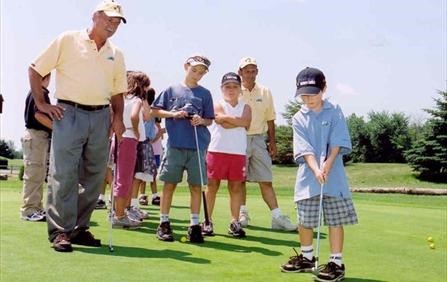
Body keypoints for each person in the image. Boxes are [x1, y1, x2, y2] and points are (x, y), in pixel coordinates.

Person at [28, 0, 127, 252]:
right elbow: (35, 69)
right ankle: (61, 230)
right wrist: (41, 103)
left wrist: (117, 118)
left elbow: (117, 92)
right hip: (68, 112)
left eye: (117, 21)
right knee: (64, 174)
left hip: (100, 116)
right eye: (109, 19)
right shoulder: (68, 39)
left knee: (94, 177)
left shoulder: (116, 53)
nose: (112, 25)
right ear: (95, 16)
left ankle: (79, 228)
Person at [280, 67, 358, 282]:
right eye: (303, 94)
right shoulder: (298, 117)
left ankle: (336, 263)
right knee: (305, 219)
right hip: (308, 176)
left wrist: (328, 164)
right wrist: (316, 168)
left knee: (334, 221)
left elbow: (338, 141)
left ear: (323, 88)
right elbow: (304, 149)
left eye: (312, 93)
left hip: (334, 177)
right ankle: (306, 258)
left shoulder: (335, 111)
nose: (308, 98)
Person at [152, 54, 214, 243]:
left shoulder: (205, 94)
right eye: (194, 70)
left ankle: (194, 225)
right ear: (186, 66)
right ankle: (164, 222)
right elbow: (154, 111)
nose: (197, 74)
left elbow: (210, 119)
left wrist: (200, 120)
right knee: (169, 184)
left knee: (196, 186)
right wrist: (173, 114)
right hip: (175, 145)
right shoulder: (171, 90)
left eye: (202, 72)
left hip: (197, 145)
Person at [238, 57, 297, 231]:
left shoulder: (265, 91)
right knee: (239, 180)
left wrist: (273, 142)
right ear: (240, 72)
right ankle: (242, 213)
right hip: (238, 138)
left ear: (257, 72)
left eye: (253, 70)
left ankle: (277, 217)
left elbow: (271, 119)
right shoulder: (234, 89)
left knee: (266, 179)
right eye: (247, 70)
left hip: (258, 138)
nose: (250, 74)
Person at [202, 72, 251, 238]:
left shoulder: (246, 107)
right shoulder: (217, 104)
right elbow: (220, 121)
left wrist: (228, 119)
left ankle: (234, 222)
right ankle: (207, 221)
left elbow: (245, 122)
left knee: (236, 187)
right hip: (217, 150)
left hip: (237, 152)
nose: (231, 90)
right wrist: (235, 121)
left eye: (235, 86)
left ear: (240, 89)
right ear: (222, 89)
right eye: (227, 87)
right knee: (212, 186)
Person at [112, 71, 150, 228]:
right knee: (125, 179)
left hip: (118, 137)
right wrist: (136, 130)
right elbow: (135, 116)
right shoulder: (137, 100)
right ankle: (119, 216)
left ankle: (117, 212)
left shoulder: (120, 99)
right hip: (129, 139)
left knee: (118, 177)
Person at [21, 73, 52, 222]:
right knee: (34, 174)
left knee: (38, 174)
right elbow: (39, 115)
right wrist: (56, 128)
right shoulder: (40, 93)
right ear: (46, 78)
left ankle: (36, 208)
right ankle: (29, 210)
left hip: (37, 137)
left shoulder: (36, 92)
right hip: (36, 136)